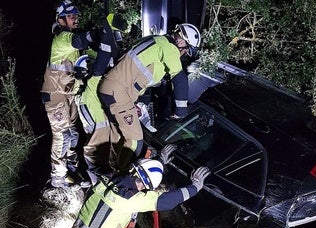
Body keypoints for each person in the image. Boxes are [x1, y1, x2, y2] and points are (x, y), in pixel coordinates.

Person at [59, 144, 211, 228]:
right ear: (146, 186)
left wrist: (159, 161)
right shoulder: (129, 199)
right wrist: (195, 186)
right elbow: (166, 201)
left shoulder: (113, 178)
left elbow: (144, 172)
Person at [98, 23, 201, 169]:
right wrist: (181, 112)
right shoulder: (169, 48)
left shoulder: (155, 40)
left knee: (119, 136)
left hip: (114, 89)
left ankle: (109, 169)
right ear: (181, 41)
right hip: (119, 92)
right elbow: (180, 79)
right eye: (186, 50)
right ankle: (120, 177)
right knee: (135, 142)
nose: (183, 54)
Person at [41, 0, 100, 188]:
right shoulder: (62, 39)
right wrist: (97, 33)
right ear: (61, 20)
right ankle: (58, 175)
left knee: (73, 134)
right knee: (63, 135)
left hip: (69, 95)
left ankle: (71, 167)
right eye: (71, 16)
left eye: (76, 16)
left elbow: (83, 56)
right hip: (56, 96)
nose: (76, 19)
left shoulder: (72, 41)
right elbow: (80, 40)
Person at [73, 14, 127, 185]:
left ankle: (96, 182)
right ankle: (98, 184)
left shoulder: (83, 90)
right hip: (97, 145)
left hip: (96, 143)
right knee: (101, 167)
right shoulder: (91, 85)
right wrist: (106, 32)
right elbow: (102, 62)